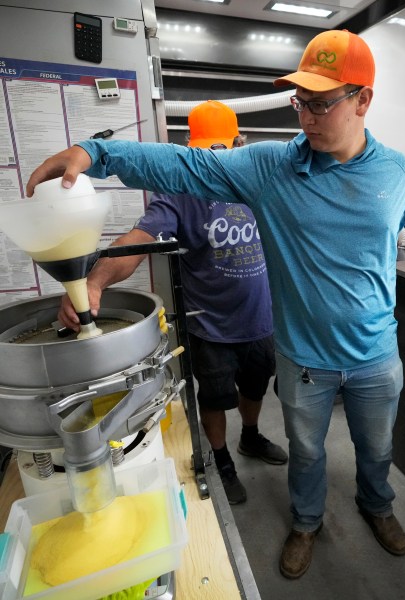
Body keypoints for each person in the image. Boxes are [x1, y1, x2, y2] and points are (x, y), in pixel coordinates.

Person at [27, 30, 405, 580]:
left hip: (376, 356)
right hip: (305, 360)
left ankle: (377, 505)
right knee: (306, 452)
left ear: (363, 100)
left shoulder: (396, 173)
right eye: (300, 101)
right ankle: (306, 521)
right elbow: (182, 167)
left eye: (322, 102)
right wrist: (97, 152)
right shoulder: (270, 168)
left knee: (376, 450)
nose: (306, 117)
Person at [57, 100, 288, 506]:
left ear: (240, 141)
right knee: (214, 398)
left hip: (259, 322)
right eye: (206, 150)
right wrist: (94, 282)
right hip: (211, 328)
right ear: (189, 146)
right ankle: (221, 460)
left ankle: (250, 437)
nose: (216, 158)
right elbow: (137, 240)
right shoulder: (182, 190)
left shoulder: (263, 184)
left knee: (256, 387)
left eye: (224, 148)